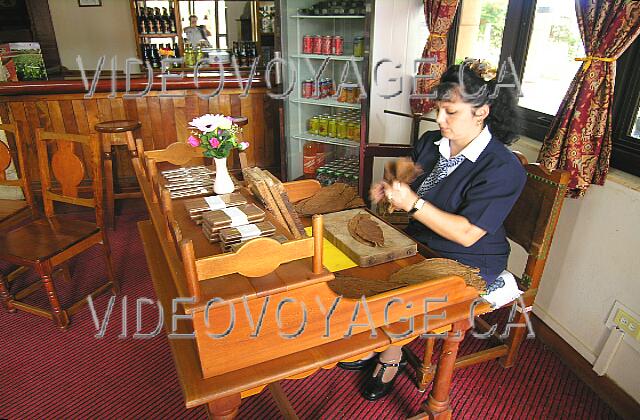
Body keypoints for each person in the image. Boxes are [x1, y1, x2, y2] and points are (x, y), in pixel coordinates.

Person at [338, 59, 527, 401]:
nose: (440, 120)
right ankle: (376, 336)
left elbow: (468, 233)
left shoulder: (502, 167)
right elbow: (405, 174)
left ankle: (390, 354)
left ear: (481, 111)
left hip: (468, 258)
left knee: (398, 289)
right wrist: (389, 187)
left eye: (450, 112)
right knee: (355, 260)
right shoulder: (431, 141)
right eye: (438, 109)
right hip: (421, 239)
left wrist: (413, 204)